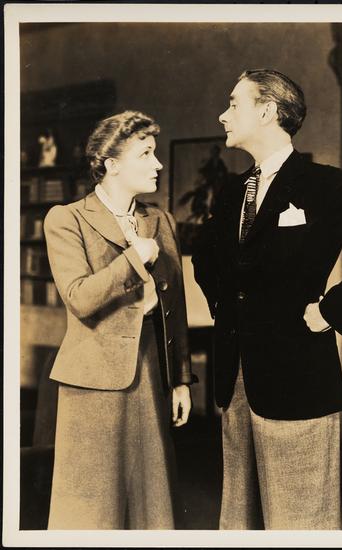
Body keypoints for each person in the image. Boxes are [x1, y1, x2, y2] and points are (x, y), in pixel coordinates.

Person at [191, 69, 342, 530]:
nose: (222, 116)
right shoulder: (233, 190)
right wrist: (233, 314)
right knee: (239, 522)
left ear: (268, 111)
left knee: (299, 524)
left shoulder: (324, 185)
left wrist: (331, 310)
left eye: (233, 104)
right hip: (236, 381)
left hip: (297, 379)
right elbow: (205, 260)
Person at [44, 110, 195, 529]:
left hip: (150, 373)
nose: (158, 164)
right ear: (111, 164)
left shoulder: (160, 220)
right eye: (145, 154)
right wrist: (132, 259)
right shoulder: (67, 219)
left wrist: (180, 379)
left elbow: (175, 306)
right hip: (92, 382)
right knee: (92, 510)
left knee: (153, 505)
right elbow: (80, 298)